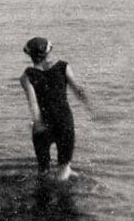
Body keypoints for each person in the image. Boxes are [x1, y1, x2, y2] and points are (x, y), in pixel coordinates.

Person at [19, 37, 93, 181]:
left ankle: (44, 196)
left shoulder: (26, 76)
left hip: (43, 124)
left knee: (43, 170)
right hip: (64, 122)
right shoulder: (63, 67)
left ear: (30, 55)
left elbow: (33, 102)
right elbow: (78, 90)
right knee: (64, 167)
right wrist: (90, 107)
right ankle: (64, 189)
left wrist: (38, 122)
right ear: (48, 53)